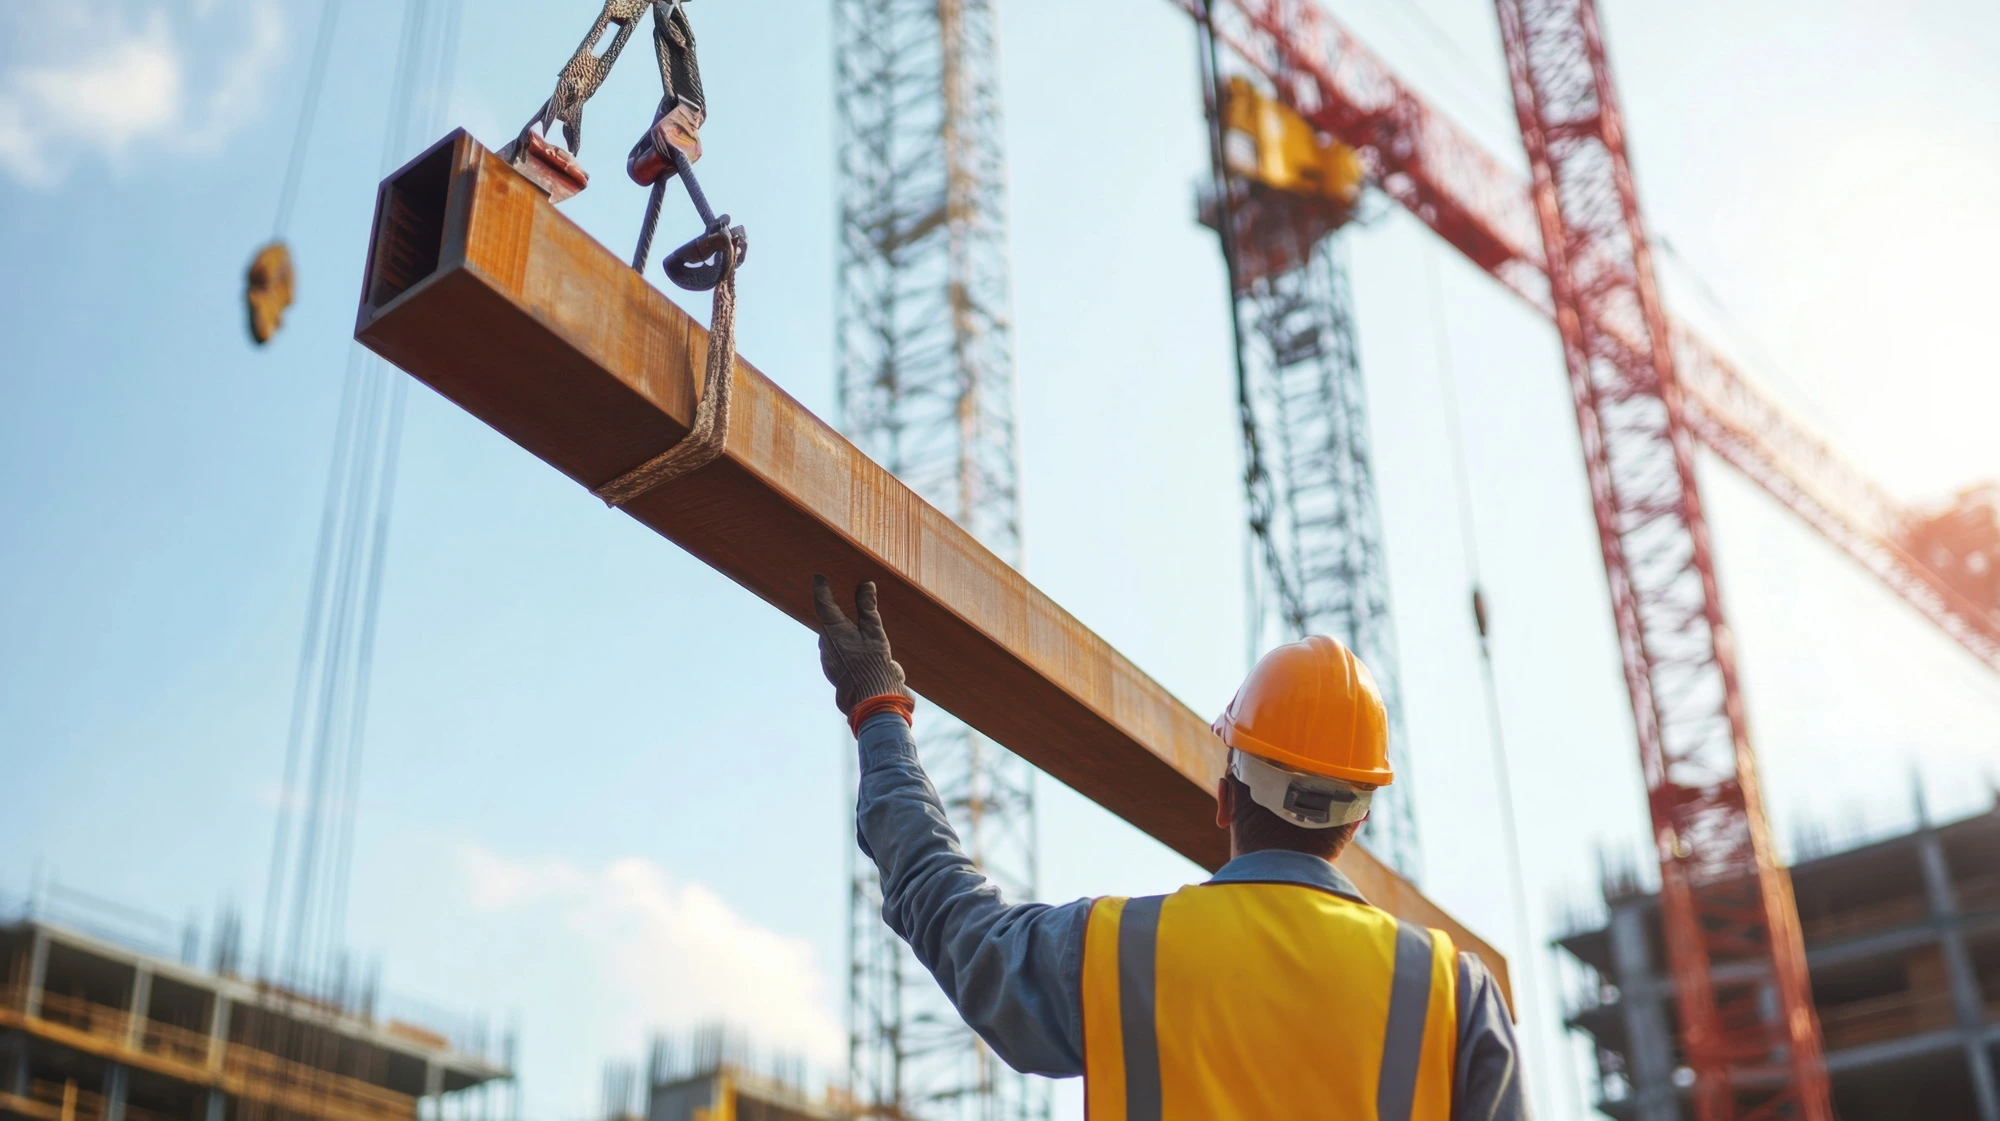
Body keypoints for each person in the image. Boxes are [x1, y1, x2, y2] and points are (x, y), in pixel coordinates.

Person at [812, 576, 1530, 1121]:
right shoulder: (1454, 996)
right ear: (1358, 820)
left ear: (1225, 797)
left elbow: (959, 924)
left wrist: (880, 711)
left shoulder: (1124, 953)